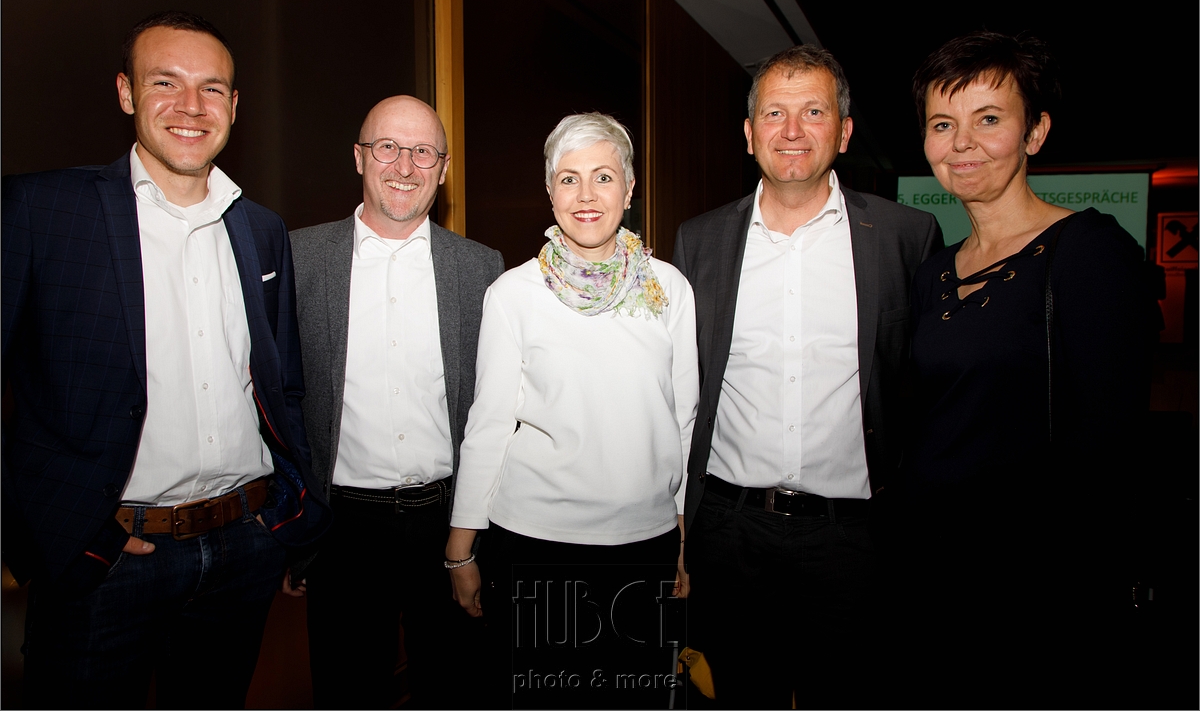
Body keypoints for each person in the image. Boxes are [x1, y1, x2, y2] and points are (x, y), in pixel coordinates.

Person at [1, 11, 331, 709]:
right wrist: (44, 531)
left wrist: (289, 519)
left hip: (245, 549)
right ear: (126, 92)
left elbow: (283, 386)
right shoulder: (40, 210)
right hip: (106, 561)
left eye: (211, 88)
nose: (190, 106)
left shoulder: (262, 229)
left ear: (234, 105)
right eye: (165, 82)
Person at [672, 44, 942, 709]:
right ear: (748, 133)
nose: (792, 130)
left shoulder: (906, 237)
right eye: (774, 113)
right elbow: (679, 393)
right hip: (729, 535)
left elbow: (926, 389)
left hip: (854, 540)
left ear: (844, 132)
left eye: (813, 112)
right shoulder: (698, 241)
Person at [901, 31, 1155, 707]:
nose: (962, 143)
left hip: (1035, 589)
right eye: (942, 124)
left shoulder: (1089, 252)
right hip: (932, 574)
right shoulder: (934, 272)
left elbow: (1111, 446)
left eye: (988, 119)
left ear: (1034, 133)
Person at [446, 112, 698, 708]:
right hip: (535, 545)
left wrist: (685, 540)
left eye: (603, 177)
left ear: (629, 189)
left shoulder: (669, 289)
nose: (586, 195)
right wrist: (460, 549)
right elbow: (489, 425)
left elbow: (683, 420)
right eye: (569, 179)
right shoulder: (513, 294)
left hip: (645, 544)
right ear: (550, 192)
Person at [289, 95, 504, 709]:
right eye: (388, 147)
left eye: (423, 152)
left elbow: (499, 410)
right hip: (341, 532)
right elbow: (276, 400)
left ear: (443, 169)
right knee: (347, 692)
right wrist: (289, 529)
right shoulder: (298, 259)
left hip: (449, 525)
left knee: (455, 690)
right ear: (359, 157)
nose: (404, 167)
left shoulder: (482, 269)